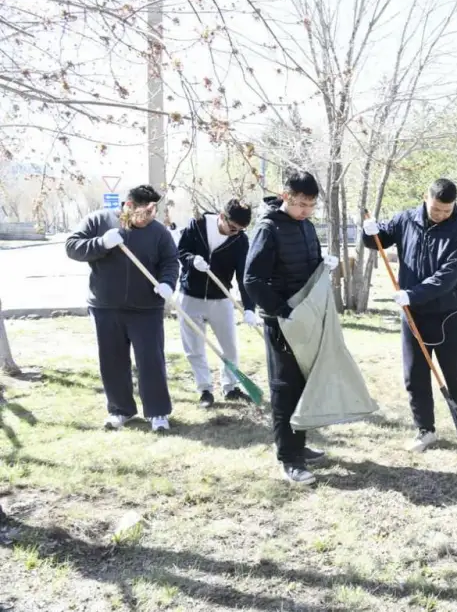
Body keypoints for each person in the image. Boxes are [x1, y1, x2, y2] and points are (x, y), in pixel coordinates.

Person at [362, 178, 457, 453]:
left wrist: (413, 294)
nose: (441, 215)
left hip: (449, 314)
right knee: (415, 375)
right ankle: (425, 429)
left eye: (446, 211)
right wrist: (368, 232)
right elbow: (379, 241)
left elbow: (447, 277)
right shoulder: (405, 220)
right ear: (426, 198)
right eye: (437, 209)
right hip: (413, 316)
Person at [244, 171, 340, 485]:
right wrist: (283, 311)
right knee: (285, 389)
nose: (305, 211)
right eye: (300, 204)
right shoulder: (268, 229)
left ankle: (298, 444)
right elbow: (252, 280)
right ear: (285, 196)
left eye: (311, 205)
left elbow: (307, 267)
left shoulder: (307, 227)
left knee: (303, 385)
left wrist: (323, 264)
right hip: (282, 321)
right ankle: (289, 459)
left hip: (306, 318)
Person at [65, 185, 179, 432]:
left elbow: (171, 261)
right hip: (106, 306)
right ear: (128, 206)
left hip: (146, 308)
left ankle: (158, 412)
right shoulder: (99, 220)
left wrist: (168, 283)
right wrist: (101, 243)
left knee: (151, 360)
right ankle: (120, 410)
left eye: (153, 212)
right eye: (145, 212)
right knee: (112, 360)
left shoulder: (158, 232)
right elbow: (72, 247)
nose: (150, 217)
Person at [176, 199, 259, 408]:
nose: (235, 233)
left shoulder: (240, 240)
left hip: (220, 299)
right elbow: (180, 251)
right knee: (194, 348)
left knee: (229, 347)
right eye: (232, 228)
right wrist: (192, 260)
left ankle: (230, 387)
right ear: (222, 216)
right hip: (190, 297)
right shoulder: (196, 225)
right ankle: (205, 389)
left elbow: (243, 276)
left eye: (240, 230)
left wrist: (249, 308)